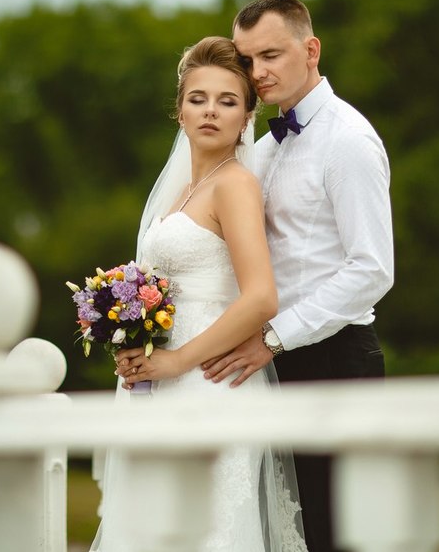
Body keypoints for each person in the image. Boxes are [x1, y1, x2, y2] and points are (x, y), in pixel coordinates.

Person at [92, 36, 308, 552]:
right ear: (180, 111)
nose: (210, 110)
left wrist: (177, 361)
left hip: (207, 380)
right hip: (159, 380)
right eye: (198, 98)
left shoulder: (235, 185)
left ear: (246, 116)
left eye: (227, 101)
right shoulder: (181, 190)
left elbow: (261, 298)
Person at [200, 0, 395, 552]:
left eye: (270, 55)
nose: (257, 72)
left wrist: (273, 338)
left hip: (335, 359)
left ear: (311, 50)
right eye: (247, 60)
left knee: (335, 534)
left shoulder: (347, 140)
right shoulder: (261, 150)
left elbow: (372, 269)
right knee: (283, 531)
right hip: (267, 364)